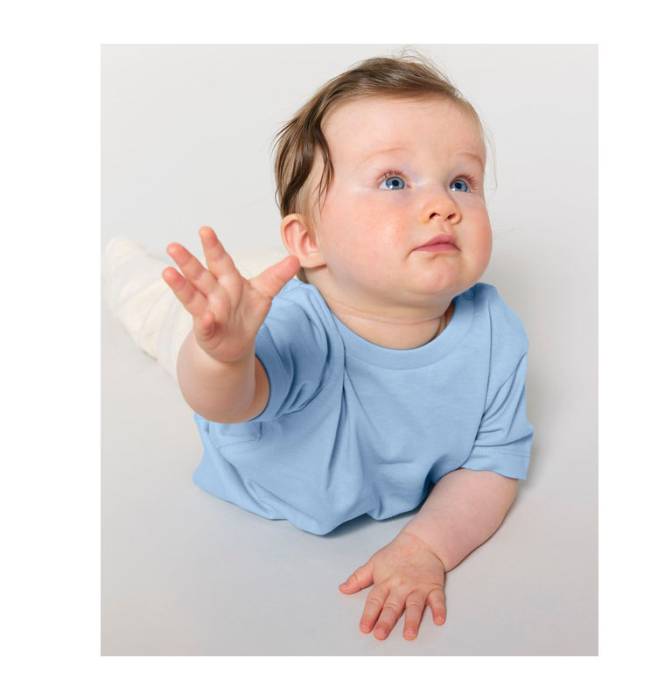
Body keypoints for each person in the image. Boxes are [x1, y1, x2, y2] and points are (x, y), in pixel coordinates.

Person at [104, 53, 535, 643]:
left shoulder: (494, 333)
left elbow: (492, 465)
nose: (444, 204)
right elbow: (228, 402)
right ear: (308, 239)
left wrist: (425, 546)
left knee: (252, 287)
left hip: (303, 282)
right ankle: (125, 263)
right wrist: (223, 355)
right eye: (394, 181)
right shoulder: (293, 330)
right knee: (168, 308)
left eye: (461, 181)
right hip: (232, 341)